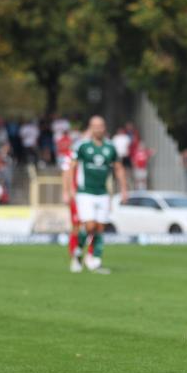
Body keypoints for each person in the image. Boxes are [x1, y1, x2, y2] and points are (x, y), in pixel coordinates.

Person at [62, 116, 128, 273]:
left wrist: (124, 189)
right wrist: (68, 189)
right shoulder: (82, 146)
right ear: (90, 128)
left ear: (104, 128)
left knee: (100, 228)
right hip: (85, 192)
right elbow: (70, 167)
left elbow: (118, 168)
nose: (98, 129)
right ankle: (78, 253)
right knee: (89, 225)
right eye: (95, 126)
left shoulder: (110, 147)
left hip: (103, 193)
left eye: (100, 126)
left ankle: (94, 259)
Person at [58, 127, 94, 271]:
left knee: (93, 226)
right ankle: (75, 256)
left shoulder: (95, 154)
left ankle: (91, 256)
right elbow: (66, 172)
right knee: (77, 227)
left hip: (92, 194)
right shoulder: (72, 154)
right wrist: (66, 191)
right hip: (77, 195)